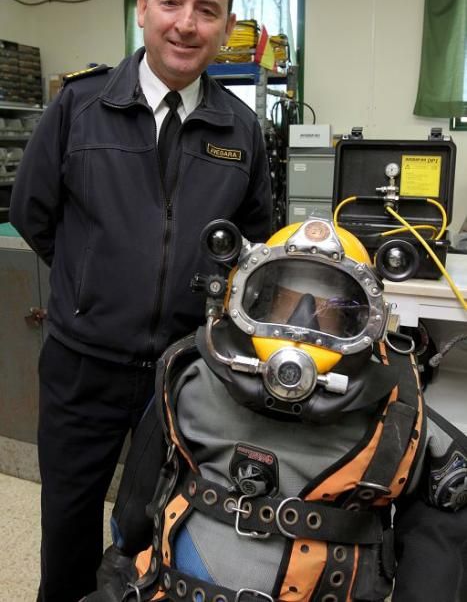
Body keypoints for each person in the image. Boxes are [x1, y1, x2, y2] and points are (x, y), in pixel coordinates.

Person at [9, 0, 272, 602]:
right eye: (172, 2)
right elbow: (33, 214)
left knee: (158, 523)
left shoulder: (240, 131)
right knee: (68, 521)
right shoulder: (78, 106)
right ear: (142, 8)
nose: (186, 23)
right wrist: (90, 287)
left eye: (206, 9)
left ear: (224, 27)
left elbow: (254, 242)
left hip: (185, 372)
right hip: (81, 364)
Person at [83, 216, 467, 602]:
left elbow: (438, 562)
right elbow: (138, 502)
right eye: (284, 302)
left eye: (327, 309)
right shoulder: (188, 379)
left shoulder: (401, 419)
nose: (300, 324)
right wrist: (116, 577)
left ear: (364, 321)